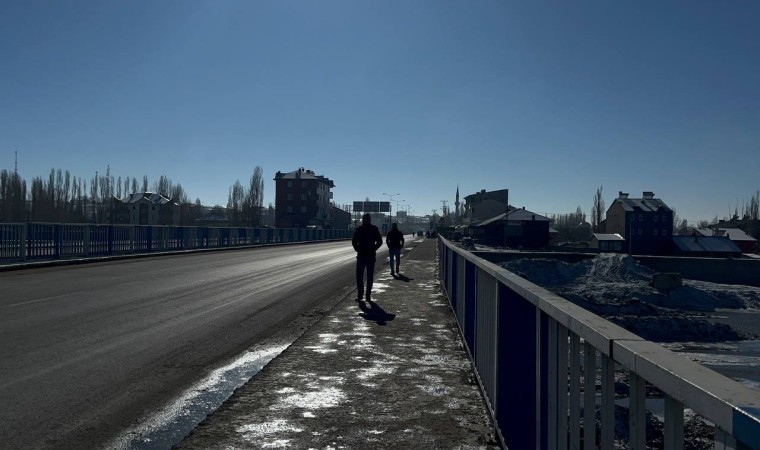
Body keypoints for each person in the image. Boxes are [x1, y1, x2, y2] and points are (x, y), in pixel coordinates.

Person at [352, 214, 383, 301]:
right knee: (369, 276)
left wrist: (358, 249)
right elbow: (380, 241)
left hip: (362, 256)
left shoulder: (359, 229)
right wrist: (374, 248)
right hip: (370, 256)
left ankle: (360, 295)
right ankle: (367, 296)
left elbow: (354, 241)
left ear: (363, 220)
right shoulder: (373, 229)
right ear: (370, 220)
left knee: (359, 276)